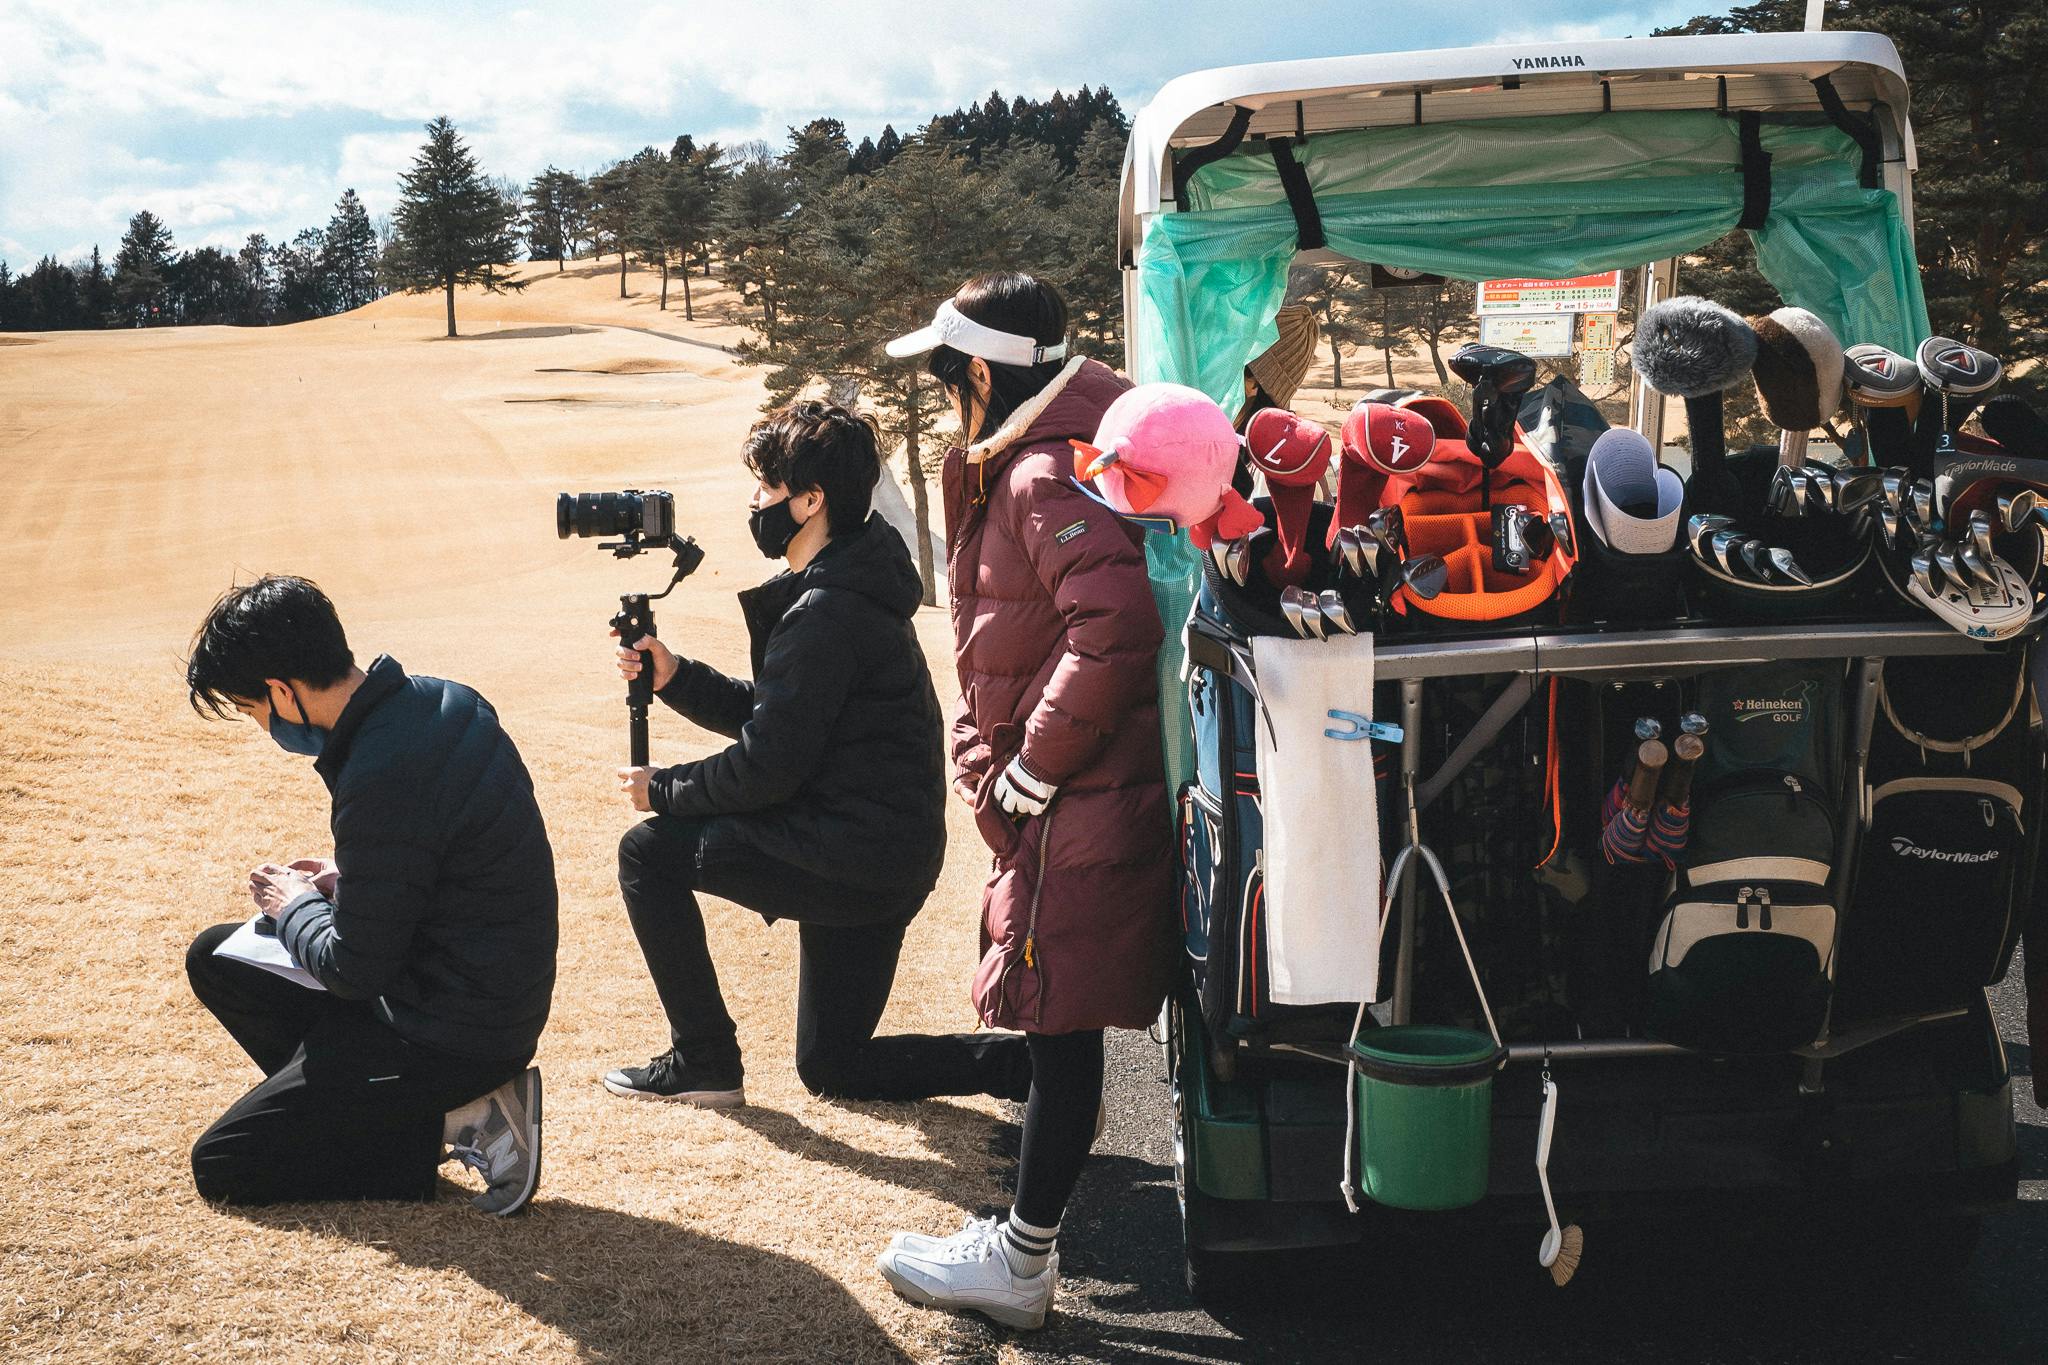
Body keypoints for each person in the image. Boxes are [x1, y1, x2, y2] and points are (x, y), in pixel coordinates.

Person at [873, 273, 1176, 1330]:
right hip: (1079, 793)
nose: (942, 398)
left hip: (1078, 797)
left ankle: (1021, 1263)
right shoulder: (1054, 453)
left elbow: (1115, 626)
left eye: (944, 376)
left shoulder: (1042, 471)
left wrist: (1033, 769)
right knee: (1058, 1022)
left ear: (979, 370)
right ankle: (1018, 1246)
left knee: (1057, 1026)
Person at [607, 399, 1031, 1108]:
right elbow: (789, 719)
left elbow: (767, 766)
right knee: (833, 1065)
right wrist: (676, 678)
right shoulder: (849, 583)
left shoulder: (827, 610)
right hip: (876, 853)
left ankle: (704, 1061)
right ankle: (1029, 1068)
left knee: (646, 852)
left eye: (766, 486)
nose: (755, 501)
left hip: (851, 857)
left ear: (810, 501)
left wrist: (663, 789)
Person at [181, 575, 558, 1215]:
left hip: (454, 1035)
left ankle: (460, 1118)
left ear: (282, 690)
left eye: (253, 710)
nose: (263, 726)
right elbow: (447, 851)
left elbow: (354, 970)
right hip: (474, 990)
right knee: (216, 956)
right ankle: (369, 1104)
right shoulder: (445, 701)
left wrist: (296, 904)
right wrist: (344, 876)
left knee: (225, 1164)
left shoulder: (382, 770)